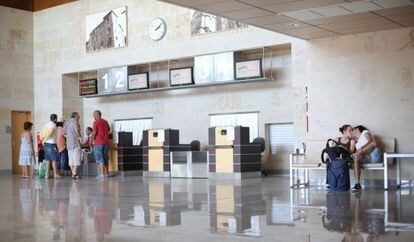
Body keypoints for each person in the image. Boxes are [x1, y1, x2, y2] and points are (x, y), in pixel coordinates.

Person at [351, 125, 382, 191]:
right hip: (368, 158)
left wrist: (361, 149)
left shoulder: (365, 133)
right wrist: (359, 152)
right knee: (356, 156)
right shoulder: (357, 144)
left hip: (375, 155)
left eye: (352, 130)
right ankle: (357, 184)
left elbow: (372, 142)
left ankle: (360, 152)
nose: (351, 132)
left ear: (357, 129)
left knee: (372, 143)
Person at [40, 114, 60, 179]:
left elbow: (42, 133)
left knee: (48, 160)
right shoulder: (53, 125)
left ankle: (47, 174)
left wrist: (43, 140)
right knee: (54, 159)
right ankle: (55, 174)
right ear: (55, 119)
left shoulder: (46, 124)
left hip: (46, 144)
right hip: (51, 144)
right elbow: (50, 134)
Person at [63, 112, 82, 179]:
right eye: (78, 115)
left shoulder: (67, 122)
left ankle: (74, 174)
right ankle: (74, 173)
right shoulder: (75, 121)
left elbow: (63, 132)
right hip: (75, 142)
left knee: (71, 158)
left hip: (69, 142)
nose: (79, 117)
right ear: (76, 116)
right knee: (76, 158)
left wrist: (68, 136)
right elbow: (77, 132)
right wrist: (80, 138)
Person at [92, 110, 111, 178]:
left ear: (96, 115)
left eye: (94, 115)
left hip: (98, 143)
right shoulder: (105, 121)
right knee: (106, 158)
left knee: (100, 158)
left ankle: (102, 174)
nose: (93, 117)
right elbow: (108, 129)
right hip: (106, 142)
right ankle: (107, 173)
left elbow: (94, 133)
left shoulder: (96, 122)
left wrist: (91, 141)